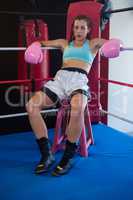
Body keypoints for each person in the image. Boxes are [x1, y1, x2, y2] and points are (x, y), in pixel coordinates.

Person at [25, 15, 121, 176]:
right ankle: (46, 154)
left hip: (79, 80)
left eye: (82, 27)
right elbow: (42, 43)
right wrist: (35, 44)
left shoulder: (93, 43)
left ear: (88, 30)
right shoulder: (64, 43)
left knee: (77, 108)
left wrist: (117, 45)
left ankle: (68, 157)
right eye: (76, 27)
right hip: (61, 78)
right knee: (31, 106)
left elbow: (113, 43)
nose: (78, 31)